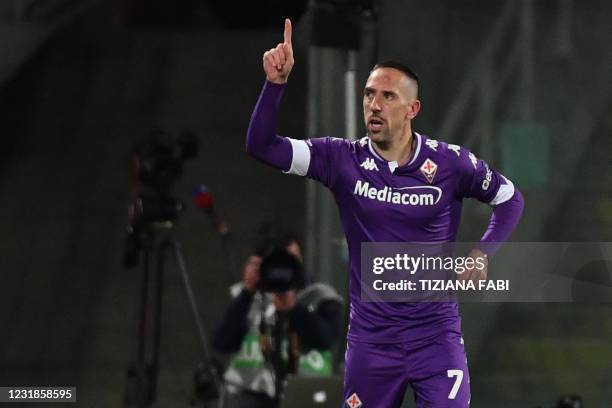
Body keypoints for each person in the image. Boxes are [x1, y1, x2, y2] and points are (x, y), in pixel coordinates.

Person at [245, 18, 525, 408]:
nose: (374, 105)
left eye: (388, 96)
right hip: (372, 343)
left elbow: (510, 200)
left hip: (436, 338)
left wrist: (482, 254)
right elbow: (262, 146)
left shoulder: (451, 164)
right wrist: (275, 84)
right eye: (368, 94)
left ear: (413, 108)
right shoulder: (340, 159)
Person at [212, 225, 343, 408]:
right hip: (249, 393)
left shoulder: (319, 296)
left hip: (307, 392)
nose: (286, 268)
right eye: (279, 261)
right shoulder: (247, 298)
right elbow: (222, 342)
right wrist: (248, 292)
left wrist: (294, 308)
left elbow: (326, 338)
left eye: (293, 260)